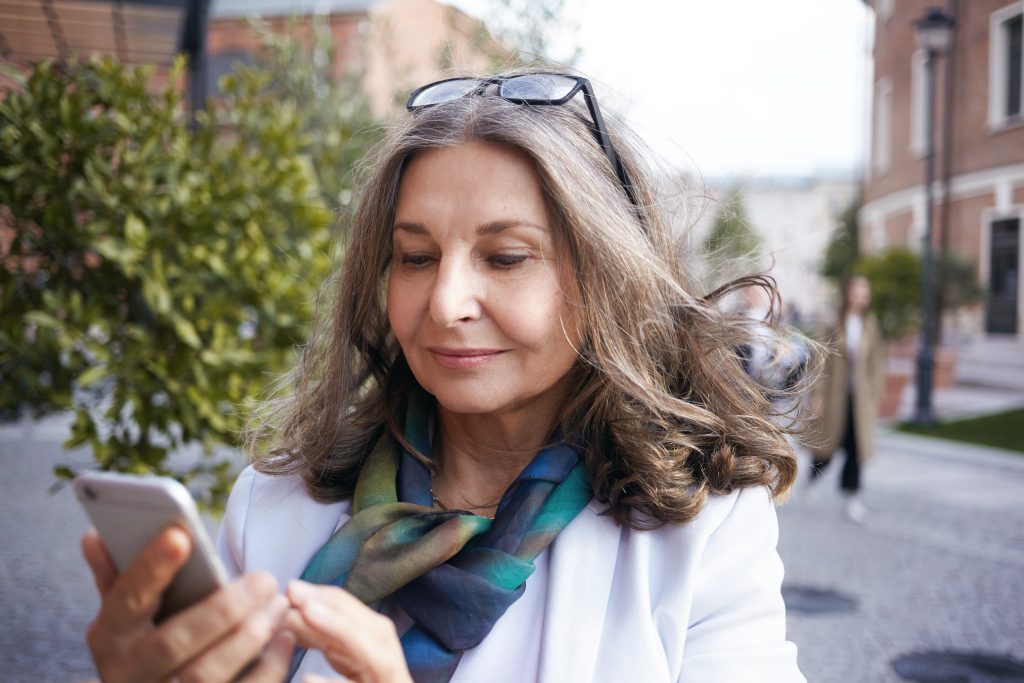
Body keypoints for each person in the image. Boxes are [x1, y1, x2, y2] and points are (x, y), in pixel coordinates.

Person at [81, 71, 812, 682]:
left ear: (605, 281)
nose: (445, 302)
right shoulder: (271, 507)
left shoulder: (706, 530)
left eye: (504, 257)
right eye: (417, 256)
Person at [807, 275, 884, 523]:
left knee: (856, 448)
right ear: (848, 293)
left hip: (859, 400)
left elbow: (876, 362)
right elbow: (819, 360)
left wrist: (874, 393)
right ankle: (812, 478)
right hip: (834, 397)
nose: (861, 297)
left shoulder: (870, 323)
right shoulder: (833, 322)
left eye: (865, 292)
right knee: (828, 445)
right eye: (858, 291)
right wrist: (817, 394)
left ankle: (852, 498)